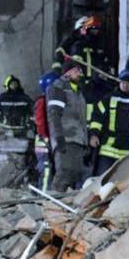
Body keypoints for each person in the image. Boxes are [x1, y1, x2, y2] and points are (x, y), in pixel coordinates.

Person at [46, 61, 95, 191]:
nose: (81, 74)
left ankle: (64, 207)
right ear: (68, 72)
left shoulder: (78, 92)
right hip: (66, 139)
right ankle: (52, 206)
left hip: (78, 140)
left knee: (74, 176)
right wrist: (59, 138)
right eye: (77, 71)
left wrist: (85, 140)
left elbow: (82, 119)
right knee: (64, 175)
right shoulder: (59, 87)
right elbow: (54, 115)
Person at [88, 70, 129, 175]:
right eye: (123, 81)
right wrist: (94, 134)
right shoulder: (108, 98)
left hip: (128, 150)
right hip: (108, 148)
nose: (125, 85)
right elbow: (97, 117)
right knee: (102, 180)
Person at [33, 70, 60, 190]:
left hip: (52, 138)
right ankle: (44, 194)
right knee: (46, 167)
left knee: (55, 166)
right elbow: (40, 121)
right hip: (43, 140)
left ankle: (52, 192)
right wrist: (45, 137)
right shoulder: (42, 101)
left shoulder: (57, 101)